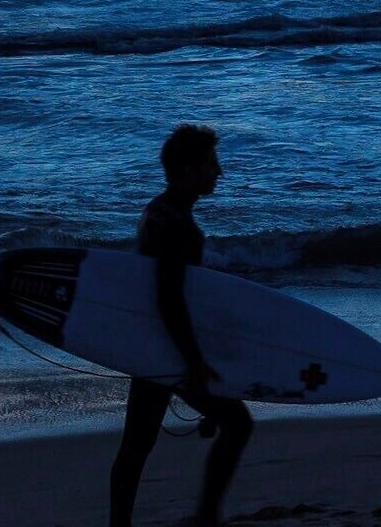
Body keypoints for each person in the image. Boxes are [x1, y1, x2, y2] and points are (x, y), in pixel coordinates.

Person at [109, 125, 253, 527]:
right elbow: (170, 300)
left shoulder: (155, 211)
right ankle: (207, 516)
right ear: (188, 168)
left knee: (136, 445)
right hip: (170, 348)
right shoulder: (180, 229)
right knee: (238, 424)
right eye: (211, 164)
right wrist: (194, 362)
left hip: (151, 345)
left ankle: (119, 523)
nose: (218, 172)